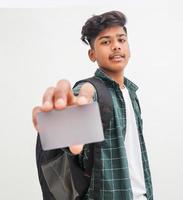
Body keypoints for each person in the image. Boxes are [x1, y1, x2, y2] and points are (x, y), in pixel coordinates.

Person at [32, 10, 153, 200]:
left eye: (121, 40)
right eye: (105, 42)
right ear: (92, 54)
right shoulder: (90, 90)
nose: (116, 46)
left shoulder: (131, 93)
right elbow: (81, 103)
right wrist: (59, 120)